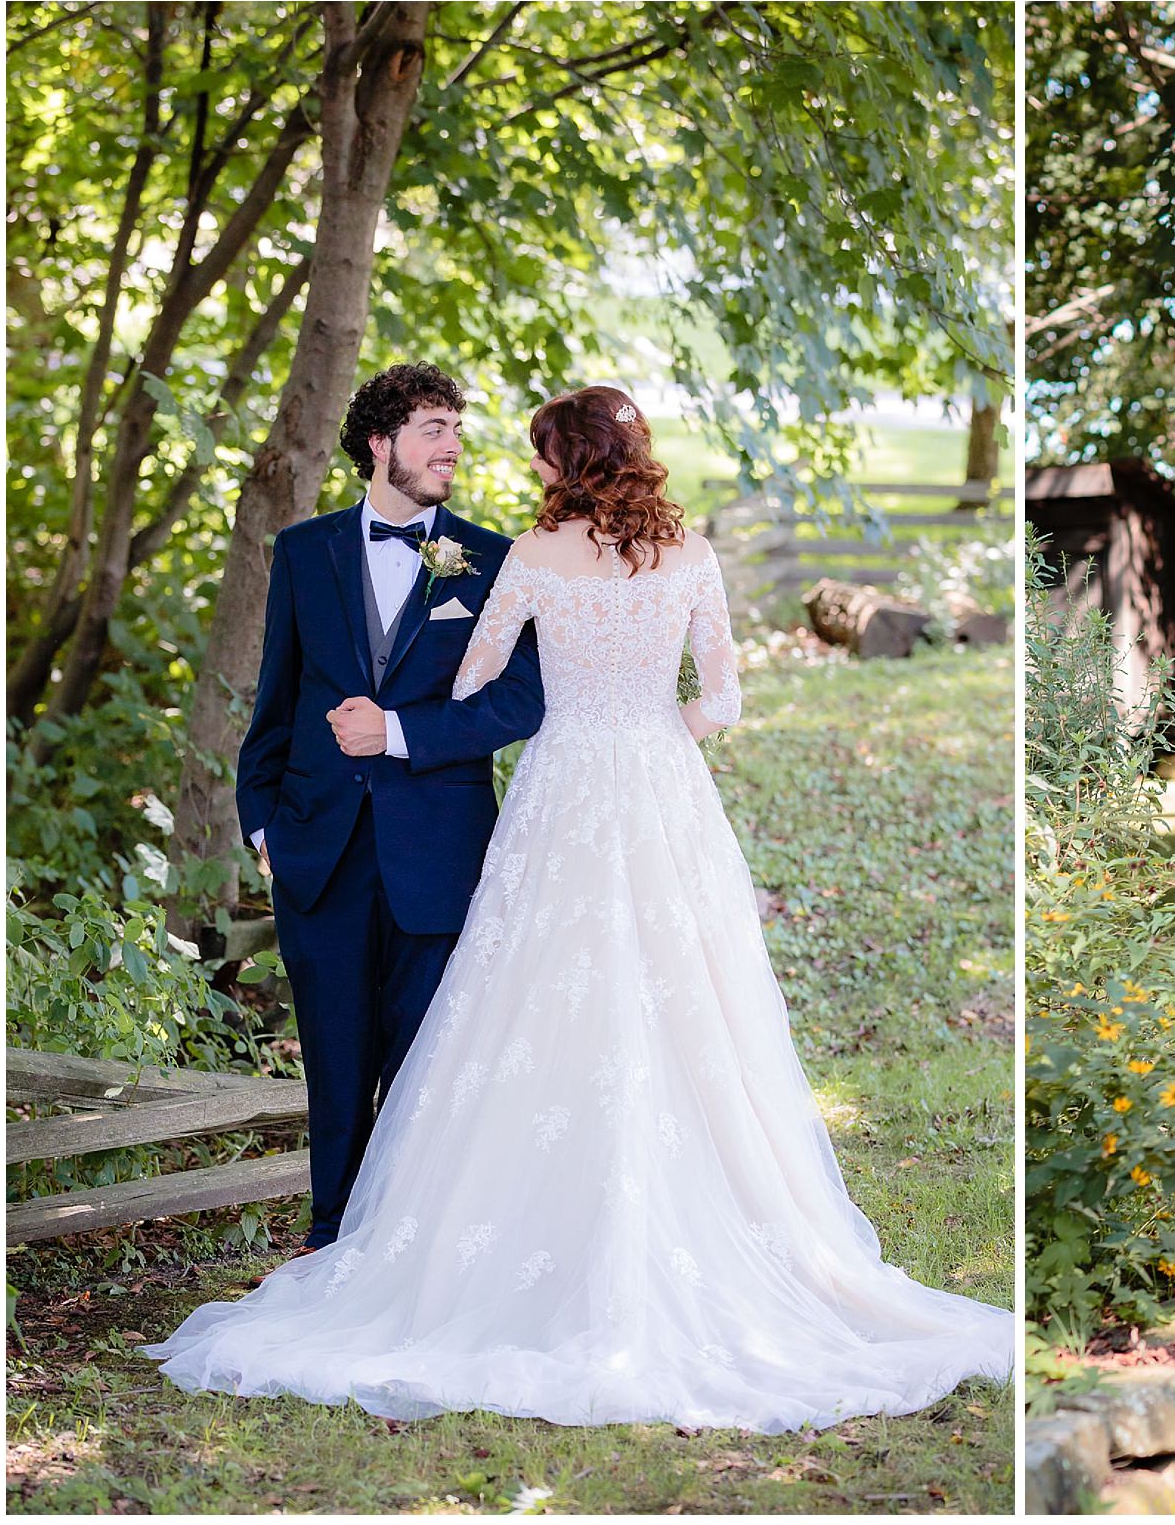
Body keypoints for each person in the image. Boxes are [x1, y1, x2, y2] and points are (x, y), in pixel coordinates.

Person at [148, 386, 1014, 1429]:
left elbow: (488, 687)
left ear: (565, 462)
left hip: (544, 808)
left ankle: (420, 1246)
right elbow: (722, 699)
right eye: (439, 432)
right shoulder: (684, 557)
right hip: (645, 801)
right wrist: (662, 733)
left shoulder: (515, 554)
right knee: (668, 1006)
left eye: (518, 450)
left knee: (506, 1015)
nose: (471, 453)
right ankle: (352, 1230)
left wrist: (417, 723)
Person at [236, 362, 543, 1254]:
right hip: (316, 850)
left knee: (422, 1066)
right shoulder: (305, 550)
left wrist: (400, 733)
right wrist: (264, 826)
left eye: (456, 428)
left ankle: (404, 1254)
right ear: (380, 444)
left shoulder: (495, 559)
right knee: (335, 1069)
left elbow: (518, 701)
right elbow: (278, 699)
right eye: (432, 428)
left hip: (437, 851)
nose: (452, 446)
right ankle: (329, 1247)